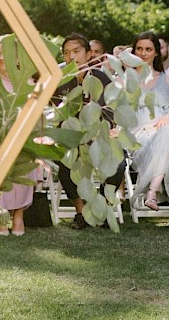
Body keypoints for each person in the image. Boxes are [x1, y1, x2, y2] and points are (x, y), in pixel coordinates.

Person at [51, 33, 121, 229]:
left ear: (88, 54)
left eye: (76, 51)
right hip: (71, 139)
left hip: (99, 138)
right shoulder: (60, 80)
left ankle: (103, 208)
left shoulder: (101, 77)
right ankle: (81, 212)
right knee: (65, 164)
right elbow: (56, 114)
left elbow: (111, 111)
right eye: (66, 53)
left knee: (119, 163)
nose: (71, 56)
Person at [0, 37, 46, 236]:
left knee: (26, 157)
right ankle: (0, 215)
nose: (1, 57)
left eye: (6, 53)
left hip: (23, 139)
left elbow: (37, 114)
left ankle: (19, 214)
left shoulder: (28, 82)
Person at [127, 31, 169, 212]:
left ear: (156, 52)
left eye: (148, 49)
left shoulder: (166, 78)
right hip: (137, 134)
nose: (143, 53)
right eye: (139, 49)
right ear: (134, 51)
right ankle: (152, 192)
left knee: (166, 132)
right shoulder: (125, 78)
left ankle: (152, 193)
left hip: (164, 129)